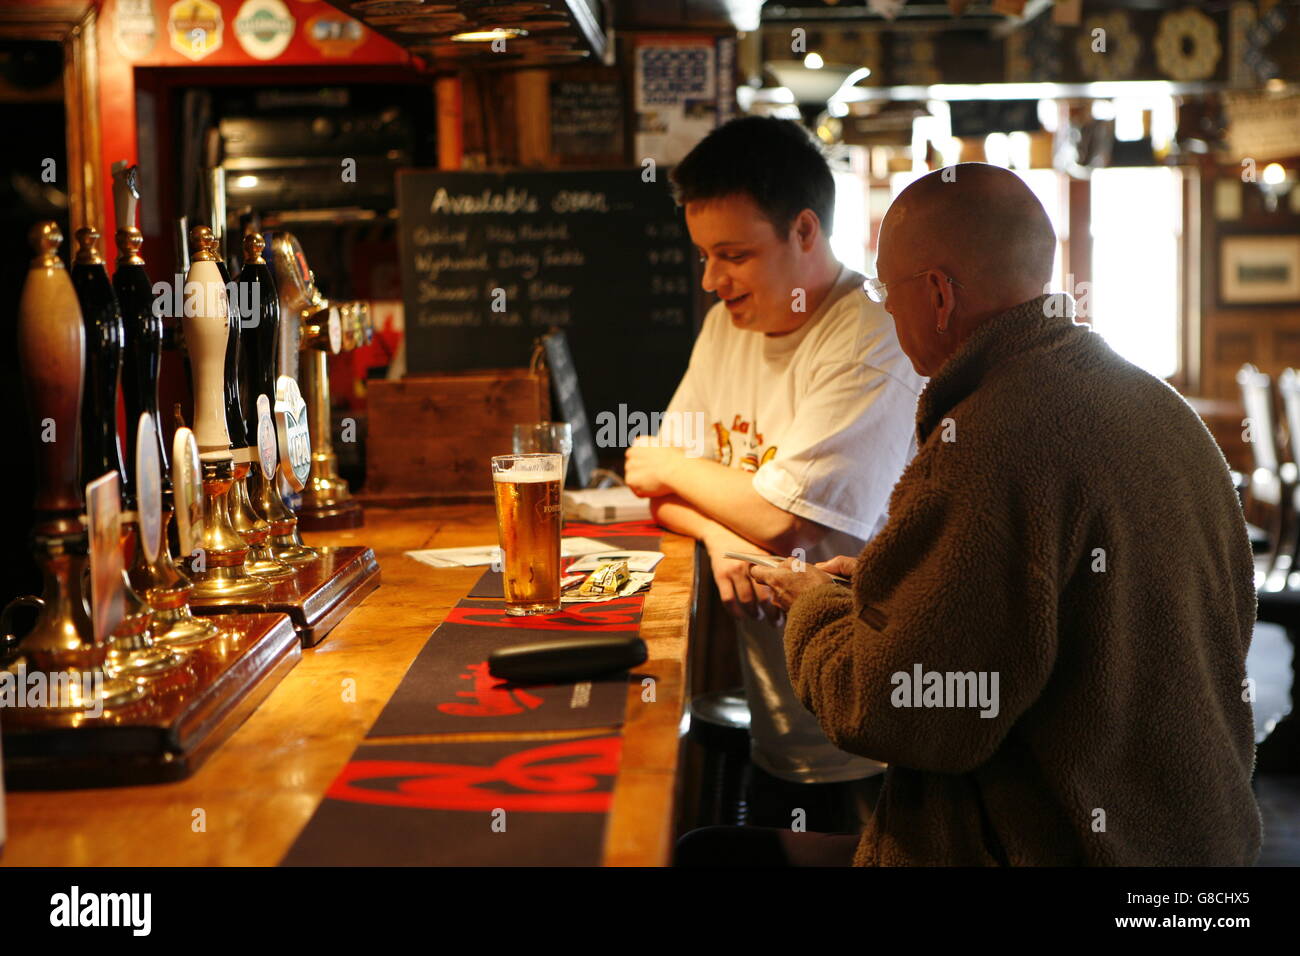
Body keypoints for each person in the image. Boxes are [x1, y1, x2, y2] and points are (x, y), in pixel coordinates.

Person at [747, 162, 1262, 865]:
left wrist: (814, 608)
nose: (885, 312)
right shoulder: (1157, 406)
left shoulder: (989, 440)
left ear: (935, 294)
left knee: (709, 855)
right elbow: (1070, 600)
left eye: (882, 289)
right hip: (1200, 855)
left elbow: (900, 710)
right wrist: (886, 584)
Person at [623, 116, 924, 831]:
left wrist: (673, 466)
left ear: (806, 232)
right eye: (703, 254)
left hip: (870, 717)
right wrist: (718, 538)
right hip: (777, 694)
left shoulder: (869, 341)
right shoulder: (728, 328)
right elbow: (658, 489)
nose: (711, 280)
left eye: (733, 254)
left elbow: (781, 520)